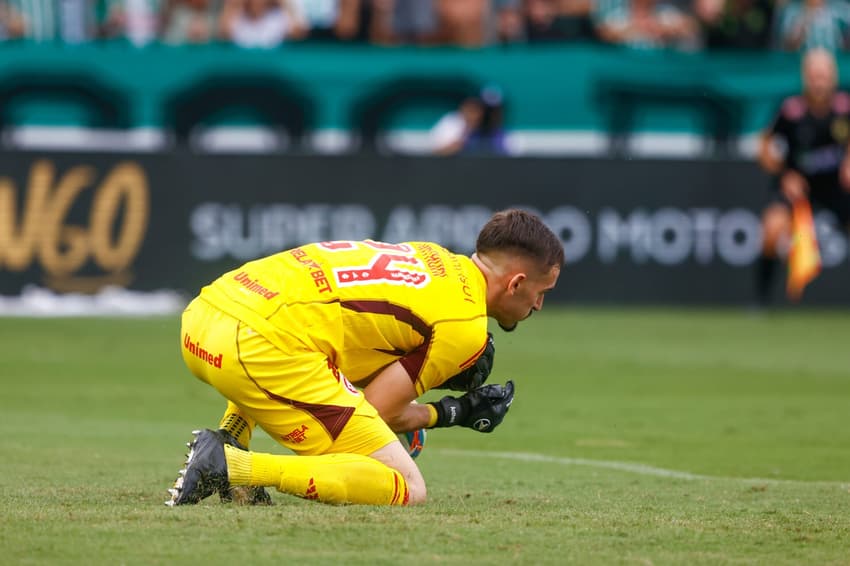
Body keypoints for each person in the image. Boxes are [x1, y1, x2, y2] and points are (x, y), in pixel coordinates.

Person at [166, 209, 564, 507]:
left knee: (318, 344)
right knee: (407, 486)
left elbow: (351, 364)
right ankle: (234, 467)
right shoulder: (465, 325)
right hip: (259, 345)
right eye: (541, 292)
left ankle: (232, 438)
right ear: (516, 283)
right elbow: (377, 410)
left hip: (205, 317)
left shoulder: (430, 255)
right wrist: (448, 413)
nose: (540, 305)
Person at [755, 48, 850, 305]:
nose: (819, 81)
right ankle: (761, 302)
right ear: (805, 77)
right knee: (772, 229)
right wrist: (785, 174)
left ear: (833, 77)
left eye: (824, 75)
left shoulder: (845, 108)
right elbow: (764, 147)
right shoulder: (791, 111)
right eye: (814, 75)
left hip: (835, 187)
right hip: (797, 186)